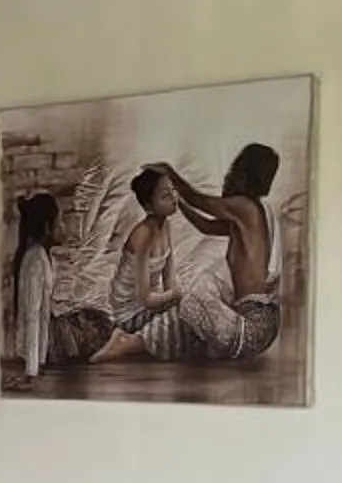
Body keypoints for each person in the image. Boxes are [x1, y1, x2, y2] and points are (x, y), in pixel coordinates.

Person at [92, 145, 285, 365]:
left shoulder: (245, 208)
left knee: (192, 301)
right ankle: (138, 340)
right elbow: (207, 226)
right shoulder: (250, 216)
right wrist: (179, 203)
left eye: (235, 168)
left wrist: (170, 172)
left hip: (252, 331)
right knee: (204, 287)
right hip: (260, 322)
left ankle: (131, 343)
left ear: (243, 173)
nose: (229, 173)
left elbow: (200, 201)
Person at [9, 192, 59, 382]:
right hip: (32, 361)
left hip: (37, 358)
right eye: (58, 222)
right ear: (47, 226)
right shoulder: (35, 260)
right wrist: (32, 368)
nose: (61, 227)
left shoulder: (42, 256)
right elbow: (33, 314)